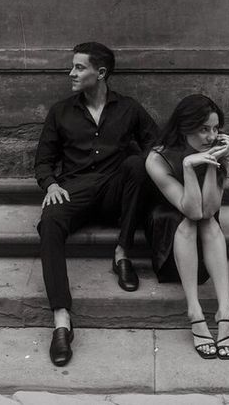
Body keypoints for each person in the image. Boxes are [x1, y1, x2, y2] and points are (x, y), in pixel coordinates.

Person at [34, 42, 158, 366]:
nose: (71, 73)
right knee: (49, 221)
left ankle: (122, 253)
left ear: (100, 73)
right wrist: (51, 185)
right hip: (74, 190)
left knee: (136, 165)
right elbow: (43, 162)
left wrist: (147, 166)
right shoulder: (60, 111)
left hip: (116, 190)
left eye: (79, 67)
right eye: (72, 66)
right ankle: (62, 320)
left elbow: (155, 145)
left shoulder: (129, 109)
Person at [144, 94, 229, 360]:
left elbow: (208, 209)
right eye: (203, 129)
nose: (211, 136)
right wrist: (187, 165)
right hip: (165, 228)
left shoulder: (220, 152)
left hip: (203, 226)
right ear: (184, 128)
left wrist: (213, 162)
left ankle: (225, 311)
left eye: (216, 128)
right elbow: (190, 209)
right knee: (189, 221)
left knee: (207, 224)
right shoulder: (157, 158)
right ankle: (194, 310)